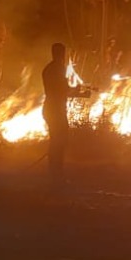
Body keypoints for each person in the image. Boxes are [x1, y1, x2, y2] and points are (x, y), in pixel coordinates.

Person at [41, 43, 92, 180]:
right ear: (61, 54)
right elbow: (63, 91)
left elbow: (60, 90)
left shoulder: (48, 68)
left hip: (50, 108)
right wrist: (82, 94)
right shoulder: (58, 69)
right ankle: (56, 172)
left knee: (56, 139)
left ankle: (54, 171)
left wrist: (77, 92)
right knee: (60, 139)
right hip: (55, 109)